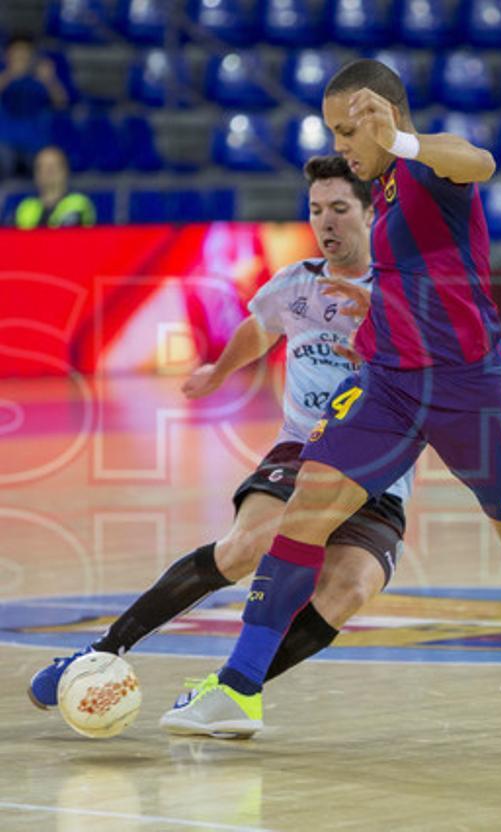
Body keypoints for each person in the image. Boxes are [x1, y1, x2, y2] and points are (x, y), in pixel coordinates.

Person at [160, 58, 501, 738]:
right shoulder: (381, 190)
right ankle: (238, 687)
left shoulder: (426, 169)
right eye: (336, 132)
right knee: (307, 508)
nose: (342, 145)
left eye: (349, 129)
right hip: (390, 383)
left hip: (469, 388)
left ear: (382, 113)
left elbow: (483, 161)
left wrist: (402, 142)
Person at [28, 155, 413, 734]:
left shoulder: (403, 296)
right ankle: (100, 651)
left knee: (350, 588)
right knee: (247, 545)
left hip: (381, 472)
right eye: (315, 211)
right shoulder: (297, 283)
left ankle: (230, 689)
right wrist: (218, 371)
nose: (326, 222)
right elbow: (260, 326)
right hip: (304, 450)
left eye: (339, 209)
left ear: (370, 212)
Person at [0, 36, 68, 176]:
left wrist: (49, 80)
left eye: (25, 52)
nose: (21, 57)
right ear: (7, 55)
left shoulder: (41, 78)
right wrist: (10, 75)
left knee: (47, 163)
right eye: (16, 53)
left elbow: (62, 103)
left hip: (35, 143)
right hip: (5, 142)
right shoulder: (4, 77)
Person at [12, 145, 95, 229]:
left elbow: (68, 237)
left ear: (65, 171)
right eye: (42, 167)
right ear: (35, 173)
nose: (48, 172)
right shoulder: (26, 207)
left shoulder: (78, 202)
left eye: (53, 166)